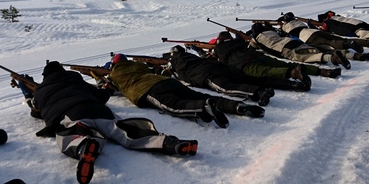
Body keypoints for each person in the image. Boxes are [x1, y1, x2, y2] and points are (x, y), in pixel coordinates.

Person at [26, 61, 198, 184]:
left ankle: (84, 145)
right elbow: (101, 96)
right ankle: (168, 143)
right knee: (126, 130)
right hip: (98, 109)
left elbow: (37, 113)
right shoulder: (75, 79)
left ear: (44, 76)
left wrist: (28, 94)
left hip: (71, 114)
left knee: (70, 133)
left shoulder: (40, 91)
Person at [107, 54, 265, 128]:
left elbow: (108, 88)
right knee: (200, 95)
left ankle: (203, 107)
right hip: (166, 82)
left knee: (174, 105)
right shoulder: (139, 65)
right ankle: (237, 106)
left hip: (146, 89)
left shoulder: (114, 74)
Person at [165, 45, 275, 106]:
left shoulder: (173, 60)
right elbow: (204, 56)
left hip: (206, 75)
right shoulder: (190, 56)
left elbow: (170, 73)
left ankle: (259, 92)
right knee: (246, 78)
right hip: (218, 68)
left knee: (227, 88)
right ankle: (279, 84)